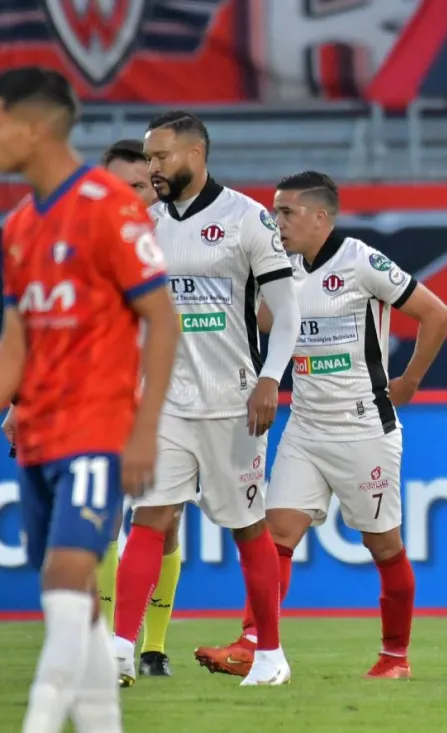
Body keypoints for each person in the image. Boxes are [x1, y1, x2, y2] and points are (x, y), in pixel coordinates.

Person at [193, 171, 447, 679]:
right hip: (305, 428)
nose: (276, 222)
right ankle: (253, 642)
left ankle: (395, 657)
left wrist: (410, 381)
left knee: (384, 546)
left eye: (286, 212)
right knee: (277, 536)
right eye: (273, 211)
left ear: (321, 216)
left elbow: (437, 314)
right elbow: (264, 321)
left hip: (362, 427)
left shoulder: (362, 261)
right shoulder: (282, 271)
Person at [0, 67, 177, 732]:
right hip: (39, 433)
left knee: (67, 577)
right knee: (75, 603)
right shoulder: (18, 228)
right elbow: (16, 337)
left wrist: (143, 429)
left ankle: (40, 721)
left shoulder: (109, 206)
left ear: (34, 126)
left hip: (98, 428)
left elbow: (162, 318)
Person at [111, 111, 301, 688]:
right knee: (149, 518)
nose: (153, 168)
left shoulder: (248, 219)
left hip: (232, 402)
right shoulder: (145, 225)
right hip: (165, 401)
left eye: (161, 157)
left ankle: (270, 654)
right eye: (149, 159)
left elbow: (288, 312)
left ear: (195, 154)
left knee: (247, 528)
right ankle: (120, 649)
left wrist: (271, 378)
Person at [96, 139, 182, 678]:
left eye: (135, 185)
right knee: (103, 518)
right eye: (114, 185)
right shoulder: (89, 241)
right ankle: (111, 643)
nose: (123, 195)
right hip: (104, 396)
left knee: (162, 525)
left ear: (154, 189)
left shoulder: (180, 242)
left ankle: (152, 647)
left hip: (171, 400)